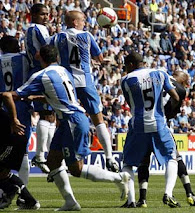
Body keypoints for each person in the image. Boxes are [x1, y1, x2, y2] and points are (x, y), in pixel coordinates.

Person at [1, 45, 130, 211]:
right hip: (69, 120)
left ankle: (119, 178)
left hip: (72, 121)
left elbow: (7, 95)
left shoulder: (41, 75)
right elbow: (60, 98)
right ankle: (70, 202)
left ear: (40, 57)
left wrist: (13, 120)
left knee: (76, 169)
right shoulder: (63, 71)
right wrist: (37, 97)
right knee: (53, 161)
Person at [50, 10, 119, 172]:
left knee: (62, 120)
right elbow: (99, 58)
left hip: (67, 84)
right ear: (74, 22)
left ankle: (55, 159)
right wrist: (96, 62)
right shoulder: (87, 36)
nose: (84, 23)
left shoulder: (58, 37)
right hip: (85, 82)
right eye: (82, 20)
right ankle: (109, 157)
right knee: (98, 119)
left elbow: (46, 53)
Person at [121, 52, 181, 208]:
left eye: (126, 66)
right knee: (172, 158)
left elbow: (131, 104)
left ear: (131, 64)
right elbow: (176, 97)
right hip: (158, 124)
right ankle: (168, 193)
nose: (125, 69)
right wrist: (168, 113)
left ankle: (131, 201)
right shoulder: (160, 73)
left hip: (138, 125)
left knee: (128, 163)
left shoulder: (126, 81)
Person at [134, 71, 195, 208]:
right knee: (174, 157)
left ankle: (142, 199)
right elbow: (171, 111)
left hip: (144, 123)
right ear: (183, 82)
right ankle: (188, 193)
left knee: (144, 159)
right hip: (161, 123)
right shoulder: (180, 89)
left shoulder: (156, 78)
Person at [25, 3, 55, 174]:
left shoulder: (33, 29)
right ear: (34, 15)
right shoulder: (37, 28)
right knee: (45, 112)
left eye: (47, 14)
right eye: (43, 14)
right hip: (41, 71)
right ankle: (40, 155)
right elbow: (48, 48)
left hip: (38, 71)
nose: (46, 17)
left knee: (50, 114)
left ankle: (47, 154)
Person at [0, 36, 32, 186]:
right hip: (21, 105)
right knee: (23, 149)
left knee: (2, 149)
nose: (19, 46)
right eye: (17, 44)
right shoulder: (23, 58)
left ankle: (4, 189)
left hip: (2, 108)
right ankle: (23, 190)